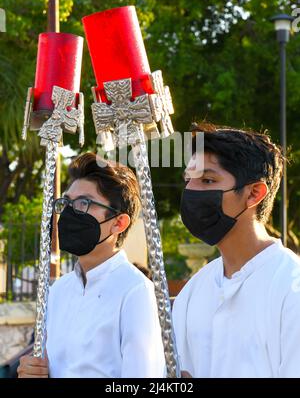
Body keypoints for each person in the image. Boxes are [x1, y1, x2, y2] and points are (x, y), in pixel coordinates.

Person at [18, 153, 165, 378]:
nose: (69, 212)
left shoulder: (135, 291)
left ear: (118, 222)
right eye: (66, 202)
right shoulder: (59, 290)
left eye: (84, 203)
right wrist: (32, 371)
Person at [173, 123, 300, 378]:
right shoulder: (192, 292)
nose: (191, 191)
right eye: (189, 180)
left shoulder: (290, 287)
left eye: (208, 180)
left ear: (254, 193)